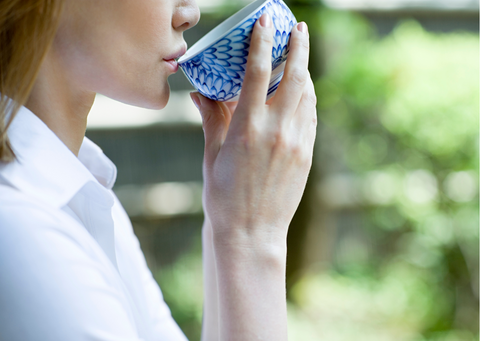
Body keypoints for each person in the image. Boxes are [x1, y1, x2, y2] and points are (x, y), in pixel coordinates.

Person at [0, 0, 317, 340]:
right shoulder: (20, 230)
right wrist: (254, 238)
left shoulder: (81, 195)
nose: (189, 13)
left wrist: (231, 215)